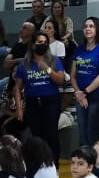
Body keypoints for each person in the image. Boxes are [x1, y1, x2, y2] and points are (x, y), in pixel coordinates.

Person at [12, 33, 67, 166]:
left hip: (50, 101)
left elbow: (60, 80)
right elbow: (17, 87)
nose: (42, 45)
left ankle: (54, 166)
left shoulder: (54, 60)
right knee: (36, 135)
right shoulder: (24, 64)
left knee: (51, 134)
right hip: (32, 102)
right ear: (33, 45)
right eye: (39, 42)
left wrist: (47, 69)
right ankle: (39, 164)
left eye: (45, 42)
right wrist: (19, 108)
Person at [70, 16, 99, 147]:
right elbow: (73, 75)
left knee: (92, 133)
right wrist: (79, 93)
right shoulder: (79, 49)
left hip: (97, 97)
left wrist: (85, 92)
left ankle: (93, 159)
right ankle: (83, 158)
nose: (87, 29)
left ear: (98, 29)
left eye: (91, 26)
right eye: (85, 26)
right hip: (80, 97)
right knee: (82, 134)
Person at [0, 20, 36, 105]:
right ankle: (7, 109)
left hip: (28, 77)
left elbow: (32, 63)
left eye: (24, 28)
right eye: (21, 28)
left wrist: (15, 61)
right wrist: (19, 60)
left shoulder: (34, 47)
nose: (20, 30)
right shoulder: (17, 46)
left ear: (31, 32)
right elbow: (5, 64)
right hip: (13, 77)